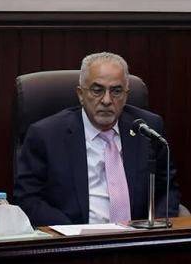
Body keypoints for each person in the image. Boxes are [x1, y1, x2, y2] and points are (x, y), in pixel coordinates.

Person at [15, 51, 181, 225]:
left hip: (138, 235)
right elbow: (28, 198)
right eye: (97, 90)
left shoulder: (147, 129)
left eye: (116, 91)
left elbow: (167, 189)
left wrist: (155, 228)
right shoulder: (46, 135)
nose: (107, 100)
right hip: (75, 236)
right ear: (81, 94)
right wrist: (72, 233)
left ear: (126, 95)